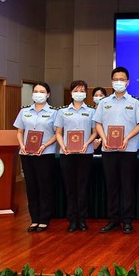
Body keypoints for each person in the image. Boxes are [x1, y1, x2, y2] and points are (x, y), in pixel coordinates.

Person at [93, 66, 139, 234]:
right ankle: (113, 220)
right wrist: (104, 139)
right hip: (108, 150)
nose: (118, 82)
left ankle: (127, 220)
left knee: (128, 187)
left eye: (122, 79)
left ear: (127, 82)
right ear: (111, 82)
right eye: (115, 80)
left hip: (127, 150)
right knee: (111, 186)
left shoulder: (135, 102)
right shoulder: (104, 102)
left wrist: (127, 138)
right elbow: (98, 123)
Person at [13, 81, 57, 233]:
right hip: (27, 154)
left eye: (42, 91)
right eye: (36, 91)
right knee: (31, 187)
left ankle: (44, 218)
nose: (38, 94)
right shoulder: (24, 111)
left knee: (45, 186)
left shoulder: (54, 112)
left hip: (45, 153)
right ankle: (34, 219)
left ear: (48, 94)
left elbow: (57, 134)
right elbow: (19, 132)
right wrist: (22, 145)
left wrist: (44, 145)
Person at [54, 80, 97, 232]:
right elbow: (58, 132)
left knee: (83, 187)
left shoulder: (91, 111)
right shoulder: (62, 112)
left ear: (86, 93)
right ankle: (72, 219)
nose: (79, 93)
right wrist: (63, 146)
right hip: (67, 154)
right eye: (76, 90)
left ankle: (82, 219)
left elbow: (95, 132)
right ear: (71, 92)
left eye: (82, 90)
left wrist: (87, 143)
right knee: (70, 188)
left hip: (85, 153)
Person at [91, 86, 107, 152]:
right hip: (90, 142)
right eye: (96, 95)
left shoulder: (108, 111)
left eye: (101, 95)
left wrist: (100, 140)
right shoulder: (90, 111)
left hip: (105, 141)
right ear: (93, 98)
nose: (98, 97)